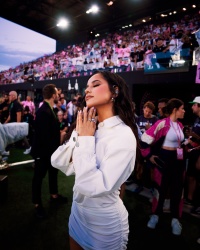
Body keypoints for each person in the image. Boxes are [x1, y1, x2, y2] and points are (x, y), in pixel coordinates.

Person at [63, 70, 138, 249]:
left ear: (115, 91)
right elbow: (60, 161)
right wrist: (80, 134)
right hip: (77, 213)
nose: (88, 90)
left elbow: (93, 186)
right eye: (87, 86)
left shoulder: (123, 135)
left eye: (95, 85)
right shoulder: (89, 125)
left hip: (103, 225)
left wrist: (86, 139)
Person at [140, 98, 186, 235]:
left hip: (178, 163)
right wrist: (149, 156)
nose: (184, 111)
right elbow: (144, 140)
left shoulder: (181, 126)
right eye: (182, 108)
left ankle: (175, 219)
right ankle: (155, 215)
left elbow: (180, 143)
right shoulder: (161, 124)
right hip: (164, 161)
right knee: (160, 190)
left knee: (177, 191)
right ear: (175, 110)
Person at [31, 84, 68, 219]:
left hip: (51, 152)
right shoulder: (43, 111)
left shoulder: (49, 109)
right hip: (43, 153)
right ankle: (37, 204)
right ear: (53, 95)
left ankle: (54, 195)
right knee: (38, 178)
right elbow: (42, 136)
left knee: (53, 173)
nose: (58, 95)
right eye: (57, 93)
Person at [184, 96, 200, 215]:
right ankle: (190, 200)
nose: (192, 107)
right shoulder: (196, 119)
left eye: (194, 104)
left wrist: (194, 135)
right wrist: (190, 139)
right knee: (191, 176)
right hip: (193, 152)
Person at [3, 91, 23, 155]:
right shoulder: (12, 104)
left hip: (15, 123)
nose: (9, 96)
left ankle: (7, 149)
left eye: (9, 95)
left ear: (13, 96)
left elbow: (19, 114)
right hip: (11, 123)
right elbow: (10, 114)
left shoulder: (16, 103)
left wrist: (18, 124)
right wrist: (6, 121)